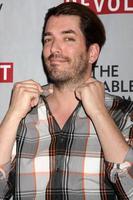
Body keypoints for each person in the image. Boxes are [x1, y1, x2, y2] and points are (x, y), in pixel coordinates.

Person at [0, 2, 133, 199]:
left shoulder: (121, 112)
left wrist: (99, 114)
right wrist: (12, 115)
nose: (54, 48)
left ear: (92, 53)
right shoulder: (24, 111)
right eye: (48, 39)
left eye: (68, 38)